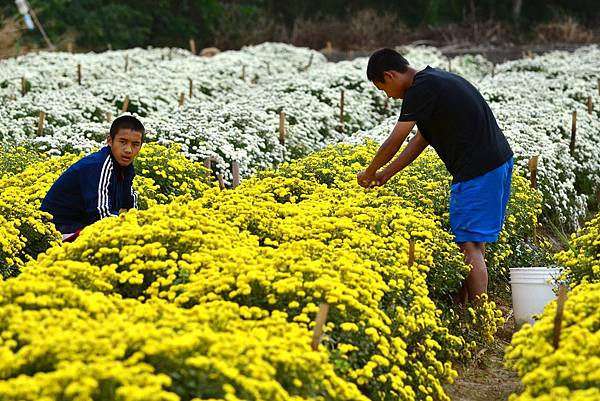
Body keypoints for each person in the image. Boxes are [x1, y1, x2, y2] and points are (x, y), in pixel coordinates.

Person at [357, 48, 514, 303]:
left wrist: (369, 172)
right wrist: (386, 174)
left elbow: (394, 141)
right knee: (473, 242)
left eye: (383, 89)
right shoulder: (434, 80)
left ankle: (479, 316)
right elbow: (422, 139)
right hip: (496, 163)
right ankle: (469, 308)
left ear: (389, 75)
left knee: (470, 246)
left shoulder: (420, 89)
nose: (388, 96)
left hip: (478, 170)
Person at [41, 115, 144, 241]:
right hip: (57, 229)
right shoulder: (98, 165)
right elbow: (101, 217)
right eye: (122, 142)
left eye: (135, 144)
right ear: (110, 141)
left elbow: (130, 207)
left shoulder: (125, 167)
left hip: (81, 225)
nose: (128, 150)